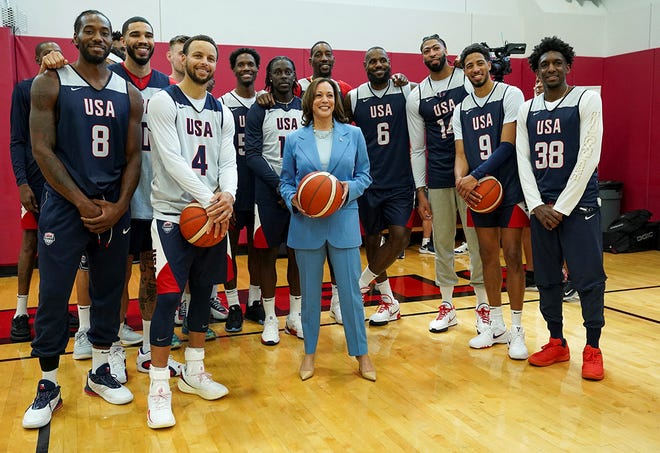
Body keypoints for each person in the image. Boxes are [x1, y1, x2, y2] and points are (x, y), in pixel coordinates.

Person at [23, 10, 142, 429]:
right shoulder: (50, 82)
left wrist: (118, 204)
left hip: (113, 206)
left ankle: (101, 371)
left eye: (104, 32)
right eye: (88, 30)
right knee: (55, 292)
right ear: (73, 37)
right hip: (65, 205)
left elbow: (132, 157)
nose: (97, 36)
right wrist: (80, 203)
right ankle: (48, 384)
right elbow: (42, 149)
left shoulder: (129, 92)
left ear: (114, 41)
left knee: (111, 289)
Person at [147, 34, 237, 428]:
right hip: (173, 214)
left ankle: (194, 371)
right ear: (182, 58)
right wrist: (211, 200)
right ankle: (158, 388)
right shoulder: (164, 101)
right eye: (197, 55)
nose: (204, 62)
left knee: (203, 293)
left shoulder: (222, 110)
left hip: (211, 214)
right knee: (168, 298)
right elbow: (170, 160)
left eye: (210, 57)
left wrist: (228, 195)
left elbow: (229, 159)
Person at [516, 36, 606, 380]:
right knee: (548, 279)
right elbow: (522, 160)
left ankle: (592, 346)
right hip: (541, 209)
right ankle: (557, 341)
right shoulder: (528, 108)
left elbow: (589, 156)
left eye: (557, 63)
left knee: (588, 278)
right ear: (537, 71)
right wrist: (537, 205)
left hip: (578, 205)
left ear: (568, 66)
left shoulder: (587, 99)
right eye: (544, 64)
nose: (550, 68)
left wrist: (562, 207)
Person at [280, 78, 376, 381]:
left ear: (337, 100)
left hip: (343, 221)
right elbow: (285, 181)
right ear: (310, 101)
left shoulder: (354, 134)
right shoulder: (296, 139)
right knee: (309, 296)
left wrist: (346, 189)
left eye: (330, 95)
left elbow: (365, 175)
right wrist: (293, 198)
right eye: (319, 95)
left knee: (350, 293)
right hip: (306, 224)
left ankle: (361, 354)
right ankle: (309, 354)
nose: (325, 100)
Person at [108, 16, 183, 382]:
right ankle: (115, 349)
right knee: (116, 274)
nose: (143, 40)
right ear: (122, 41)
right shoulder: (107, 79)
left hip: (158, 196)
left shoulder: (168, 87)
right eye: (135, 34)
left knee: (152, 275)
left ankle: (148, 349)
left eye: (149, 34)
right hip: (120, 194)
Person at [407, 34, 488, 334]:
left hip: (470, 173)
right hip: (439, 175)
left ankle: (482, 305)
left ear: (445, 51)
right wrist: (420, 190)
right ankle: (447, 305)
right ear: (423, 57)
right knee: (441, 243)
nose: (431, 53)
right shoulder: (416, 95)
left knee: (475, 239)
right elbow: (417, 148)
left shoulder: (465, 80)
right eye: (426, 50)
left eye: (436, 48)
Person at [453, 43, 528, 359]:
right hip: (479, 195)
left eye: (479, 63)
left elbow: (507, 146)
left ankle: (518, 330)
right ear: (465, 71)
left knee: (512, 254)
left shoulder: (510, 95)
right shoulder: (461, 109)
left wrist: (474, 175)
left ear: (489, 65)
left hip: (509, 189)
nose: (475, 69)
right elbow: (460, 154)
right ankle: (495, 326)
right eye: (469, 65)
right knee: (485, 256)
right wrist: (460, 179)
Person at [344, 46, 414, 326]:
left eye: (382, 60)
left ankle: (361, 283)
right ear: (364, 65)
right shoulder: (354, 97)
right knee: (372, 241)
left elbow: (425, 95)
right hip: (368, 181)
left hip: (399, 180)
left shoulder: (404, 90)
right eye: (372, 61)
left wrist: (406, 80)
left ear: (390, 63)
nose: (378, 64)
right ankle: (388, 301)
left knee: (400, 237)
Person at [245, 56, 303, 346]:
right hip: (268, 193)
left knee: (298, 255)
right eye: (277, 71)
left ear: (295, 77)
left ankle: (295, 316)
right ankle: (270, 318)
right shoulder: (259, 109)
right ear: (269, 77)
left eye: (287, 71)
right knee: (266, 256)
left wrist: (296, 188)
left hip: (302, 194)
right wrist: (280, 187)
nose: (283, 76)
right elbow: (252, 154)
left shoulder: (305, 108)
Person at [9, 41, 62, 343]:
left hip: (61, 180)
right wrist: (21, 182)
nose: (52, 58)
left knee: (60, 249)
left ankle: (52, 309)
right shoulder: (24, 90)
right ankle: (19, 312)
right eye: (46, 53)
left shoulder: (68, 88)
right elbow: (17, 139)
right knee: (30, 243)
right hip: (34, 179)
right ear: (37, 58)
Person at [219, 47, 263, 332]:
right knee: (230, 250)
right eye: (241, 64)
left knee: (260, 249)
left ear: (258, 70)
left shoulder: (267, 102)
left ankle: (256, 301)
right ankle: (233, 303)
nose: (246, 68)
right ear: (233, 69)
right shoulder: (222, 103)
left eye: (251, 64)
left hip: (260, 188)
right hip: (233, 187)